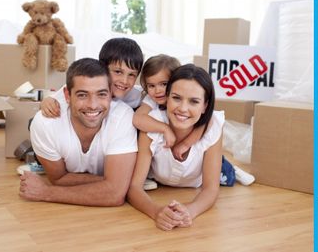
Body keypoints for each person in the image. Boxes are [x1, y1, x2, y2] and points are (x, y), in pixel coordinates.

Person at [127, 64, 240, 230]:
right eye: (176, 98)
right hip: (163, 181)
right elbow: (134, 188)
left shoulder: (213, 126)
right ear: (166, 97)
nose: (183, 108)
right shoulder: (152, 124)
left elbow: (210, 189)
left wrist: (190, 210)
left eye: (194, 101)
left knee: (227, 174)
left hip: (197, 180)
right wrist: (156, 211)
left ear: (205, 106)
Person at [19, 58, 138, 206]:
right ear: (67, 95)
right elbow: (58, 179)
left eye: (101, 94)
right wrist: (115, 182)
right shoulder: (45, 123)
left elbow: (114, 194)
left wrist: (46, 192)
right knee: (37, 127)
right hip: (49, 134)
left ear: (110, 93)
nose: (93, 105)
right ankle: (35, 154)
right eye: (82, 95)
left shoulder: (123, 115)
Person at [133, 55, 254, 187]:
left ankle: (232, 169)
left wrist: (185, 144)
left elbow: (208, 122)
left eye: (164, 84)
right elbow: (138, 119)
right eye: (151, 85)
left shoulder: (183, 97)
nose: (158, 91)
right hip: (167, 159)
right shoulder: (151, 100)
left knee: (224, 175)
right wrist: (165, 128)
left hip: (199, 153)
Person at [41, 37, 144, 119]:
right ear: (102, 68)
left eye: (131, 75)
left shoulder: (135, 95)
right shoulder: (83, 87)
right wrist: (47, 101)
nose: (124, 81)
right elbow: (52, 100)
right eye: (118, 72)